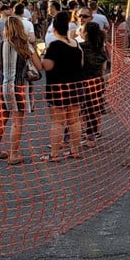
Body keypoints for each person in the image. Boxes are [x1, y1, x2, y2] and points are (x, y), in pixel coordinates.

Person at [0, 16, 43, 166]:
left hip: (0, 85)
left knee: (0, 118)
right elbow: (38, 67)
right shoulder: (25, 46)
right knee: (17, 120)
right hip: (19, 86)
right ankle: (14, 154)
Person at [41, 10, 85, 162]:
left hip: (57, 88)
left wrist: (42, 56)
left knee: (57, 122)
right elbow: (81, 64)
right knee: (74, 120)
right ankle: (75, 150)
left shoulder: (54, 46)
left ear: (54, 29)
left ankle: (54, 154)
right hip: (76, 86)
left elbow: (46, 66)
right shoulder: (76, 45)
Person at [79, 20, 109, 145]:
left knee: (83, 109)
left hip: (84, 81)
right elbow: (103, 68)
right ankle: (92, 134)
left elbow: (79, 65)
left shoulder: (80, 47)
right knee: (94, 108)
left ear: (85, 33)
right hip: (98, 81)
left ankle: (85, 135)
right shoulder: (101, 49)